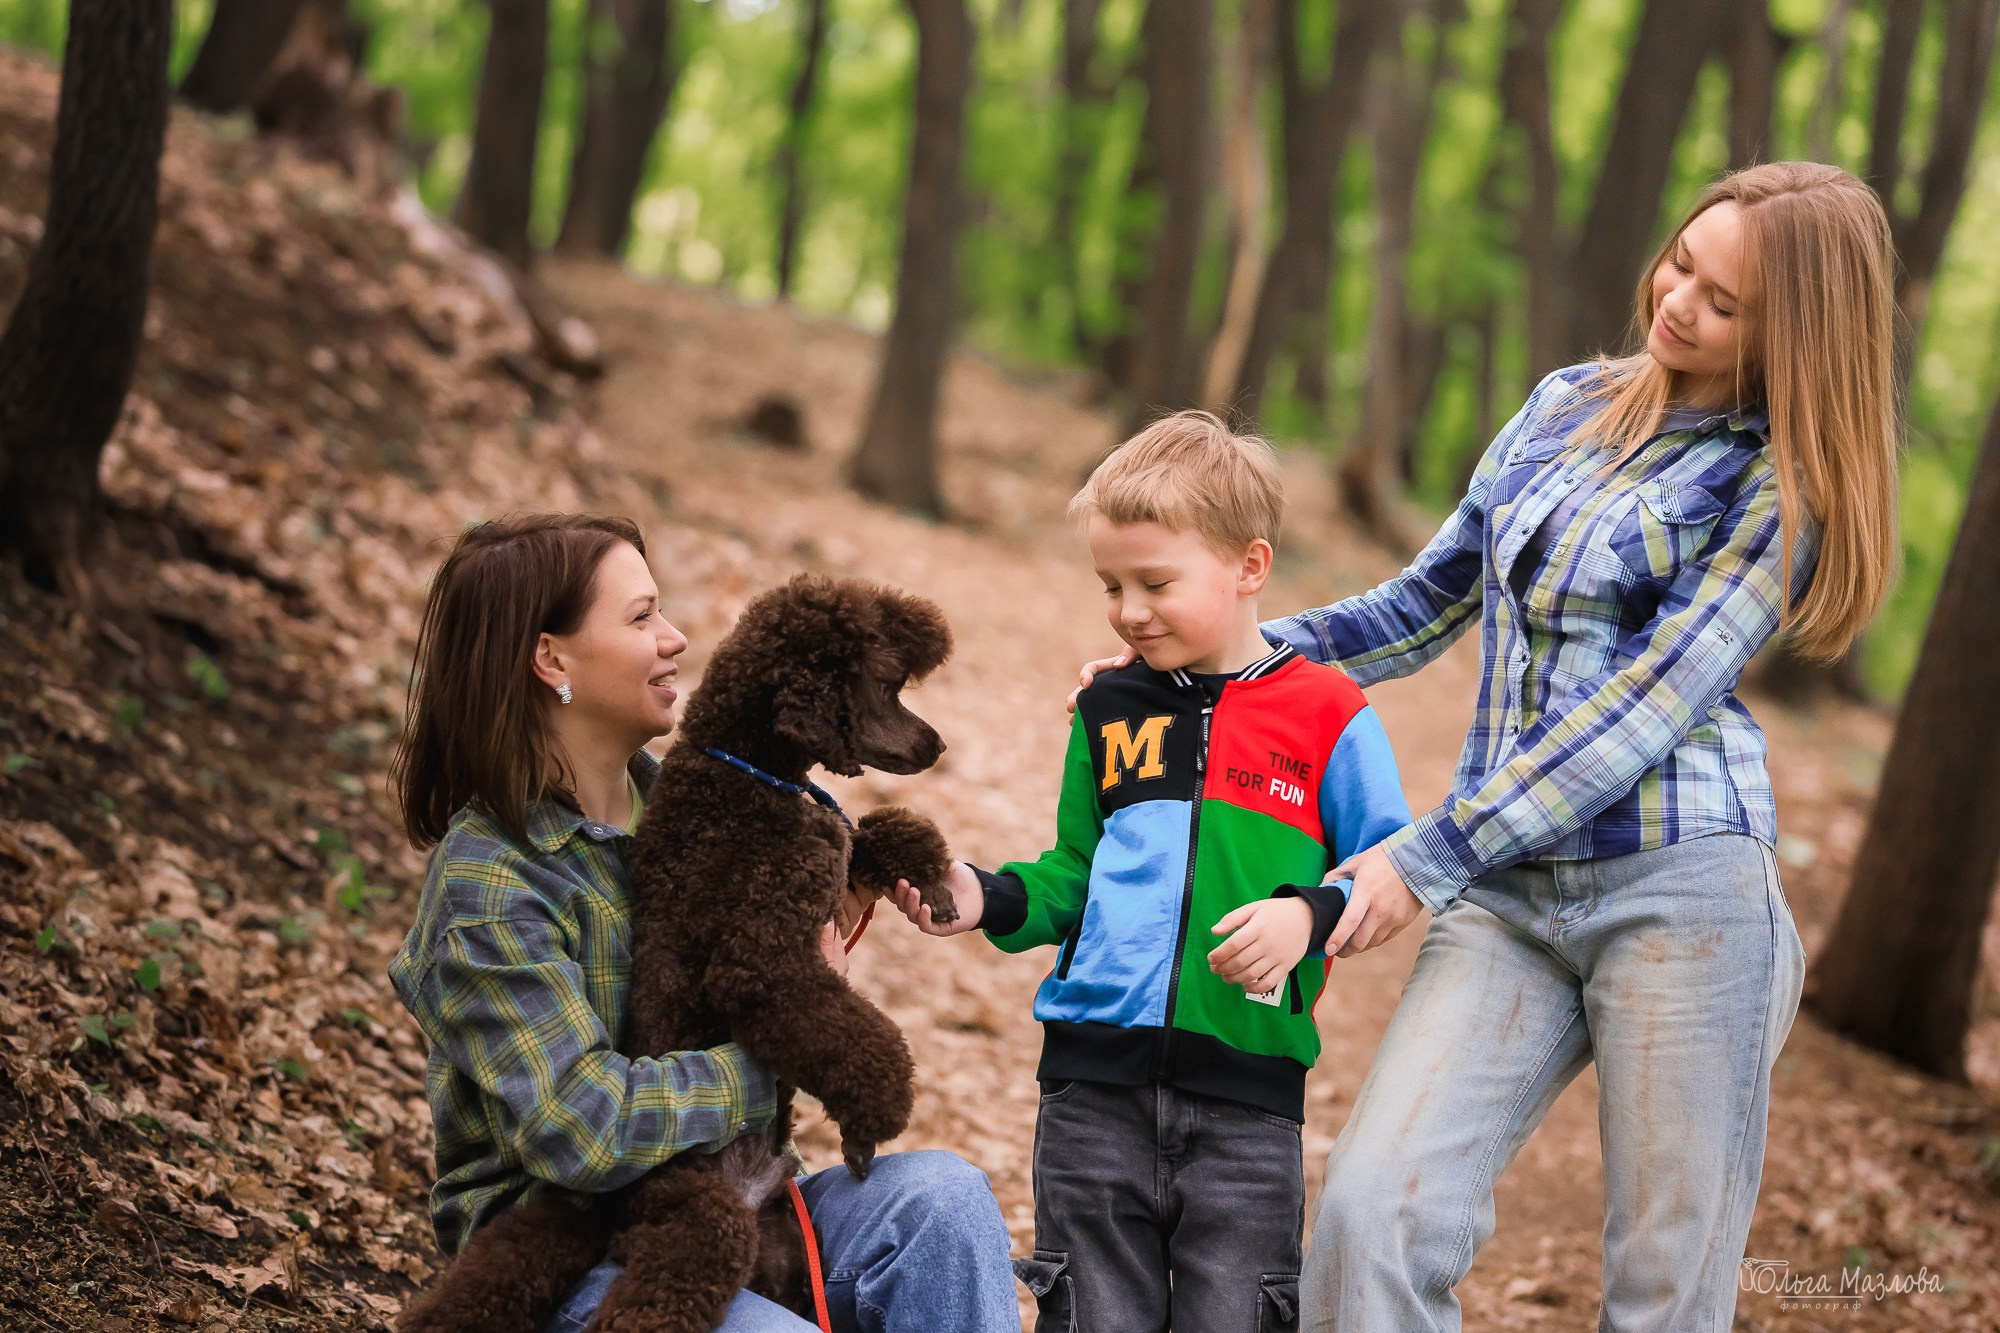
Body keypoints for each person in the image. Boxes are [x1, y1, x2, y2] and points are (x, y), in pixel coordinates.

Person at [1073, 162, 1900, 1331]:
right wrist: (1198, 661)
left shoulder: (1780, 482)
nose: (1675, 303)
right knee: (1367, 1222)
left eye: (1722, 304)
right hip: (1506, 893)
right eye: (1678, 263)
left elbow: (1642, 710)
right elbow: (1420, 605)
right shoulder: (1565, 404)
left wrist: (1418, 860)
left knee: (1662, 1290)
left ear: (1792, 337)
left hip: (1684, 894)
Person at [386, 513, 1018, 1333]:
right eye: (641, 617)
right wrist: (776, 1050)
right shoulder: (492, 879)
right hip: (575, 1259)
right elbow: (580, 1127)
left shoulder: (696, 802)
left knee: (945, 1199)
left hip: (740, 1205)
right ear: (552, 659)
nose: (676, 637)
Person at [892, 414, 1413, 1333]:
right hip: (1091, 1097)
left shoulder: (1330, 714)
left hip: (1248, 1107)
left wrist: (1307, 914)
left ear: (1249, 566)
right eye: (1111, 585)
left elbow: (1388, 870)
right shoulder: (1108, 706)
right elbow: (1075, 870)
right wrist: (984, 894)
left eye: (1155, 583)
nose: (1129, 611)